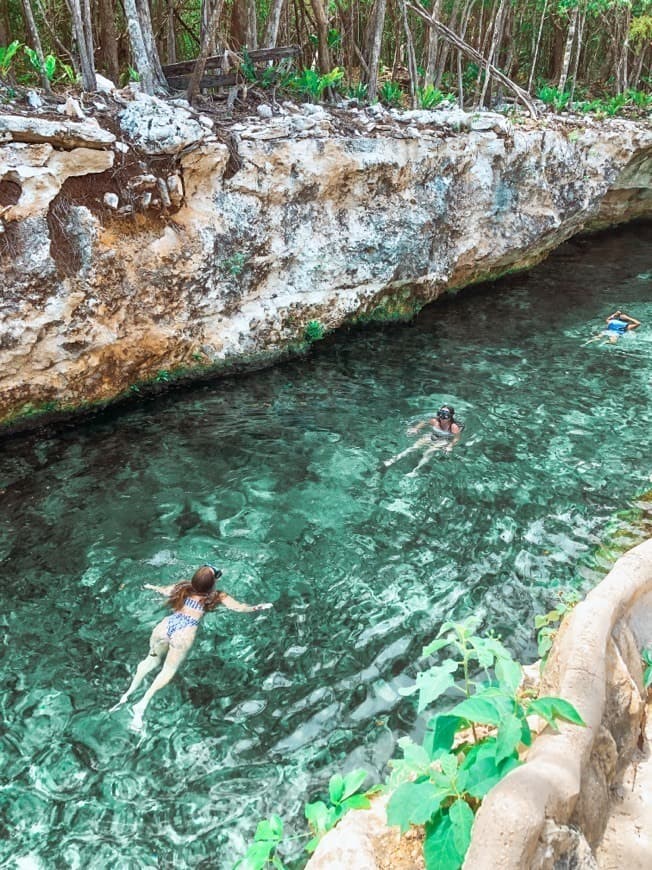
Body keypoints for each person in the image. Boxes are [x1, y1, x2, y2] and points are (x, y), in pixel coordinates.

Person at [111, 564, 272, 730]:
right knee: (167, 670)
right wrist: (258, 607)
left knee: (151, 659)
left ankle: (127, 694)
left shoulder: (182, 587)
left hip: (166, 626)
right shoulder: (217, 596)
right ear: (213, 583)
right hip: (184, 634)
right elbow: (240, 608)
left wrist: (150, 586)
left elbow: (163, 590)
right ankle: (142, 703)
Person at [383, 405, 463, 476]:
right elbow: (424, 423)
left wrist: (450, 445)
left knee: (428, 452)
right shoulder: (434, 421)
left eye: (446, 415)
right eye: (441, 414)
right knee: (413, 447)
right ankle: (392, 460)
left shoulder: (453, 427)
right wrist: (416, 428)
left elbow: (457, 438)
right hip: (431, 435)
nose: (442, 417)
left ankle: (415, 470)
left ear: (451, 416)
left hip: (444, 440)